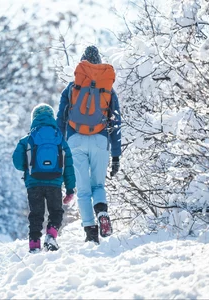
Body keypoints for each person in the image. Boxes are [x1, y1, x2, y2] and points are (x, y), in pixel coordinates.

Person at [56, 45, 122, 244]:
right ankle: (102, 212)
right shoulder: (108, 89)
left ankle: (91, 233)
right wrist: (116, 154)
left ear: (82, 63)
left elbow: (60, 119)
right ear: (99, 62)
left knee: (83, 190)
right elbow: (116, 122)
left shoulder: (71, 87)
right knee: (98, 185)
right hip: (101, 140)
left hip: (75, 140)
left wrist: (60, 149)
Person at [13, 103, 76, 253]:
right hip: (54, 182)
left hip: (34, 183)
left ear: (34, 118)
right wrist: (69, 189)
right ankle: (51, 236)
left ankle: (34, 245)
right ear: (51, 118)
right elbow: (68, 165)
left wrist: (28, 166)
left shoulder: (27, 139)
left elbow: (16, 162)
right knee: (56, 212)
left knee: (36, 214)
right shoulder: (60, 139)